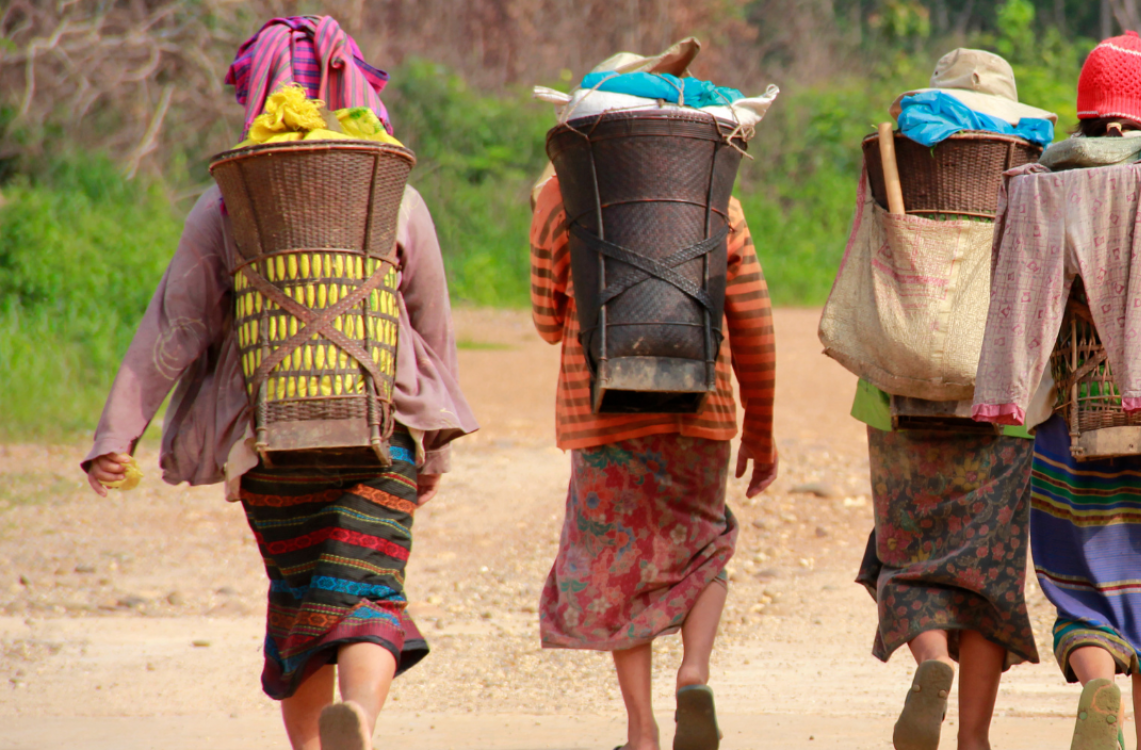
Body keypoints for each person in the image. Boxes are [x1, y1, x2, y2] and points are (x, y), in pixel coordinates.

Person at [80, 16, 478, 750]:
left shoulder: (226, 202)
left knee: (299, 604)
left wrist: (117, 434)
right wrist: (437, 449)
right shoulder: (394, 193)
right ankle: (359, 720)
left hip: (269, 443)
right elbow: (432, 327)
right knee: (371, 593)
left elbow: (177, 325)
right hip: (382, 434)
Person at [971, 31, 1141, 750]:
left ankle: (1098, 684)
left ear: (1087, 109)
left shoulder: (1042, 183)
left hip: (1070, 423)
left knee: (1082, 588)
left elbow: (1014, 304)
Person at [528, 47, 779, 750]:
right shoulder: (718, 202)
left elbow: (547, 319)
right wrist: (761, 429)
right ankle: (693, 672)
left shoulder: (557, 198)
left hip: (599, 412)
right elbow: (753, 321)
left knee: (619, 566)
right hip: (701, 409)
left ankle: (641, 733)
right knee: (703, 550)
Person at [839, 49, 1054, 750]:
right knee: (987, 574)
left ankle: (932, 661)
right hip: (1003, 395)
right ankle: (974, 737)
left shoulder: (892, 157)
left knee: (907, 554)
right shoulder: (1030, 165)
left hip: (898, 393)